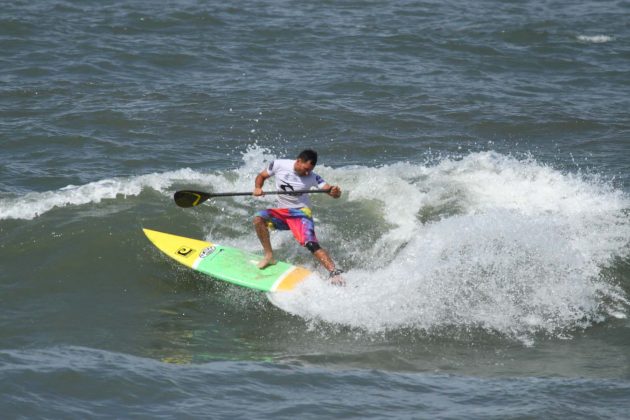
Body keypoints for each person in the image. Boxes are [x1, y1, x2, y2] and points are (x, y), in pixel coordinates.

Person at [252, 149, 344, 285]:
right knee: (258, 218)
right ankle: (269, 256)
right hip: (282, 213)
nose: (307, 173)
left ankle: (334, 272)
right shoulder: (278, 164)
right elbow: (261, 176)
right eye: (306, 169)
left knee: (311, 244)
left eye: (310, 170)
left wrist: (335, 192)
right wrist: (258, 187)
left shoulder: (313, 177)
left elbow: (329, 191)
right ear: (298, 161)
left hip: (301, 214)